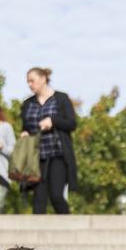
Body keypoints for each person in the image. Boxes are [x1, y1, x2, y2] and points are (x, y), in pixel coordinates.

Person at [20, 66, 77, 214]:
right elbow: (25, 126)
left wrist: (53, 122)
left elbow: (72, 123)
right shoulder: (28, 104)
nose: (30, 84)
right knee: (38, 199)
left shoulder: (61, 98)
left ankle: (70, 229)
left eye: (32, 80)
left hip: (57, 155)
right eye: (28, 82)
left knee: (56, 195)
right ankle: (35, 236)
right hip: (37, 158)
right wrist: (25, 133)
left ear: (43, 78)